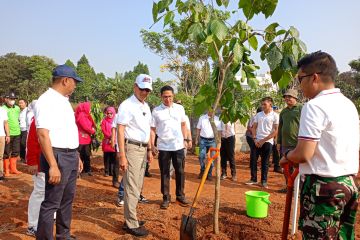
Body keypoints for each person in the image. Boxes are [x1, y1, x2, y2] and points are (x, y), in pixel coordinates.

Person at [280, 51, 359, 239]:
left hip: (324, 189)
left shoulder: (315, 106)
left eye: (300, 79)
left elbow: (304, 154)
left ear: (314, 77)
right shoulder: (348, 104)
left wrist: (287, 157)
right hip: (348, 185)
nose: (299, 86)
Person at [35, 64, 83, 240]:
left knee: (66, 200)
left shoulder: (64, 100)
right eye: (74, 82)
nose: (75, 86)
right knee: (52, 203)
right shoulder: (46, 101)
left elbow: (67, 130)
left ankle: (63, 235)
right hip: (57, 156)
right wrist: (53, 165)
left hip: (70, 155)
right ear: (65, 80)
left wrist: (76, 155)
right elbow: (42, 135)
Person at [116, 74, 153, 237]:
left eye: (148, 90)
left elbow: (146, 130)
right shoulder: (127, 105)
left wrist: (149, 150)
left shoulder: (145, 106)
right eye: (142, 89)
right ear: (135, 87)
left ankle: (131, 218)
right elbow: (120, 129)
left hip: (142, 149)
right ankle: (131, 223)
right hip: (131, 149)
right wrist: (122, 155)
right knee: (131, 186)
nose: (145, 92)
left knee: (137, 186)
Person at [150, 85, 191, 209]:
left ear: (173, 96)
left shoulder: (180, 109)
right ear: (161, 97)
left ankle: (180, 196)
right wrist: (152, 145)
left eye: (170, 97)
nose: (168, 99)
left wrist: (186, 139)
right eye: (165, 97)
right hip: (163, 147)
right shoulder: (156, 111)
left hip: (178, 146)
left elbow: (184, 124)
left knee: (180, 171)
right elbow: (152, 129)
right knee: (165, 173)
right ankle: (166, 198)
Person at [247, 97, 279, 188]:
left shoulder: (275, 116)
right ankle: (253, 179)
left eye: (265, 104)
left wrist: (263, 140)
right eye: (262, 104)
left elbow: (276, 131)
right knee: (253, 160)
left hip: (267, 141)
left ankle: (264, 181)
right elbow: (254, 127)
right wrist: (254, 139)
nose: (263, 106)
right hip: (256, 140)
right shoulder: (258, 115)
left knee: (265, 162)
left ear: (270, 104)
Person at [277, 89, 302, 192]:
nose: (287, 98)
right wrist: (278, 142)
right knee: (286, 167)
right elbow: (280, 127)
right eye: (286, 97)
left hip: (297, 143)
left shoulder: (301, 108)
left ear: (295, 97)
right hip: (285, 143)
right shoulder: (283, 111)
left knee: (298, 167)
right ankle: (289, 187)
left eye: (289, 97)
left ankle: (299, 189)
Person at [195, 111, 222, 181]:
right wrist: (197, 138)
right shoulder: (202, 118)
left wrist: (219, 141)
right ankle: (203, 170)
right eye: (210, 109)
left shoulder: (217, 119)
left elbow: (219, 131)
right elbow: (198, 128)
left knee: (211, 159)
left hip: (212, 141)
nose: (212, 111)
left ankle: (209, 174)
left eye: (213, 109)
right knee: (201, 156)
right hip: (203, 140)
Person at [2, 92, 22, 175]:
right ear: (6, 99)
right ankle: (6, 169)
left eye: (14, 99)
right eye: (11, 99)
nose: (12, 100)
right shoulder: (3, 108)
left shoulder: (17, 108)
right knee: (6, 152)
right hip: (8, 134)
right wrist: (7, 134)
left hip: (17, 132)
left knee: (16, 151)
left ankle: (13, 169)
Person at [75, 102, 96, 176]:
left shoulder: (86, 115)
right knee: (81, 155)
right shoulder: (81, 115)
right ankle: (79, 171)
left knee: (86, 155)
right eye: (89, 107)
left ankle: (87, 170)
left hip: (86, 138)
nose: (90, 109)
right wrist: (92, 130)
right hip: (81, 138)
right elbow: (85, 126)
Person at [101, 106, 119, 187]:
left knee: (114, 157)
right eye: (108, 113)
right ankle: (107, 171)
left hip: (114, 141)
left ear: (114, 113)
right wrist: (110, 137)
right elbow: (103, 130)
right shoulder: (104, 121)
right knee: (106, 157)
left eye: (111, 113)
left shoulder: (116, 121)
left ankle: (112, 172)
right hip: (107, 141)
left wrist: (113, 138)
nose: (109, 115)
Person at [0, 105, 10, 181]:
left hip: (1, 136)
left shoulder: (3, 110)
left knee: (0, 156)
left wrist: (8, 135)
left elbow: (6, 123)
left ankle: (0, 174)